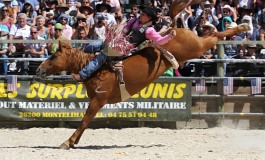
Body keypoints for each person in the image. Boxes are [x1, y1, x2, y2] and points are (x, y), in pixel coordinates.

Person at [72, 6, 176, 82]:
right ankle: (78, 57)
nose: (141, 15)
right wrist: (116, 37)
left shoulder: (149, 30)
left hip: (123, 50)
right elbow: (124, 31)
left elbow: (159, 40)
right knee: (95, 44)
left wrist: (169, 37)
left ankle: (83, 75)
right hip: (116, 42)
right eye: (141, 13)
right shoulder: (134, 21)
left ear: (149, 18)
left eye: (143, 15)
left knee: (101, 56)